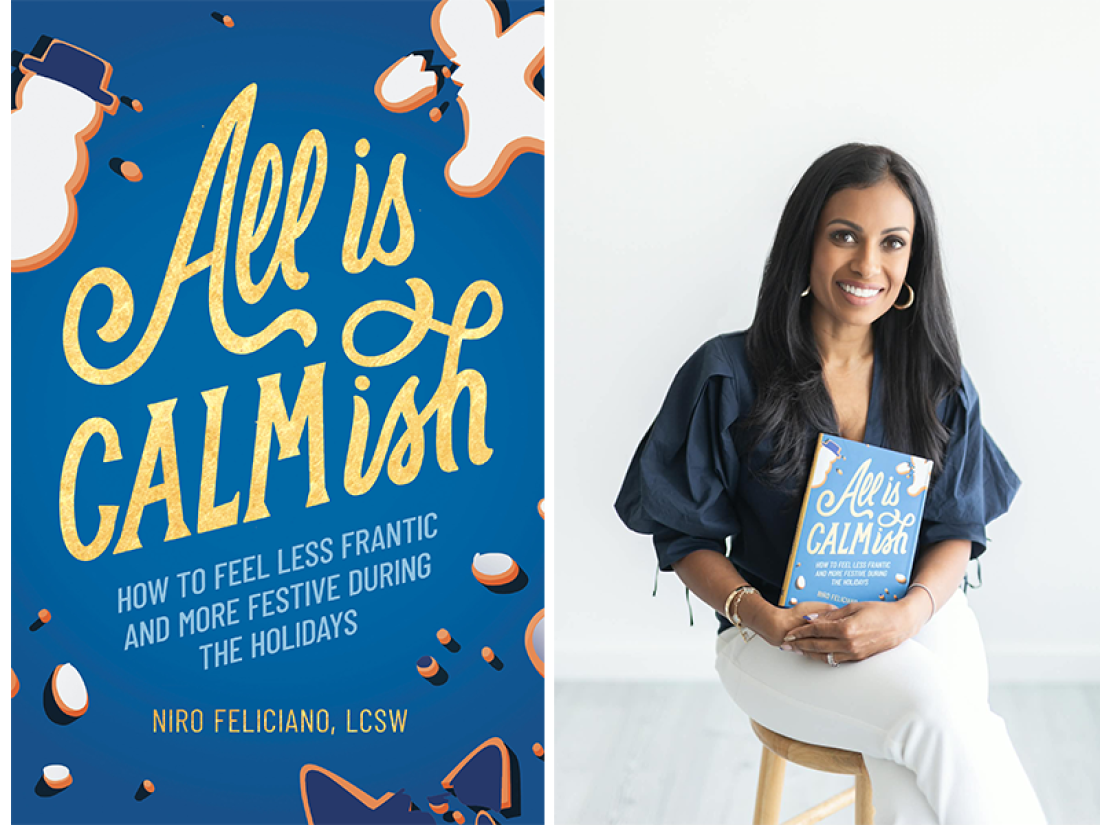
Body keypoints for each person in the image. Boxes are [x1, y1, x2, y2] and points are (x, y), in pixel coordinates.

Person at [614, 144, 1048, 824]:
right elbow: (683, 532)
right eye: (844, 234)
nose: (867, 265)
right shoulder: (728, 372)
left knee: (931, 737)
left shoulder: (935, 380)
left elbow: (958, 527)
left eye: (892, 243)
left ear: (912, 263)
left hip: (916, 609)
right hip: (775, 634)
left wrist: (905, 616)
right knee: (935, 715)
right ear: (805, 242)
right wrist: (762, 617)